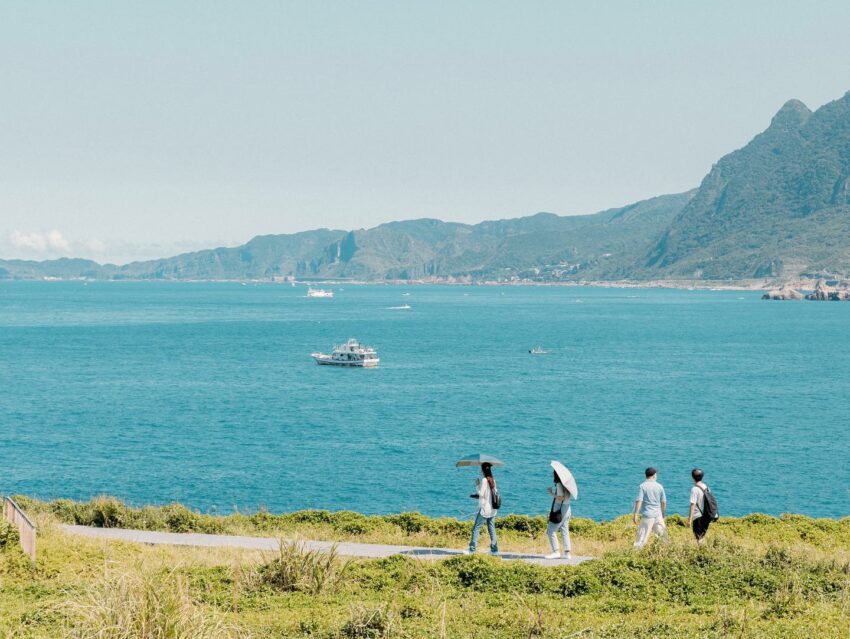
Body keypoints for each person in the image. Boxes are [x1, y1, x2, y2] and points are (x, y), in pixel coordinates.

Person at [466, 462, 499, 555]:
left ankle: (472, 550)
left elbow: (481, 494)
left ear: (483, 470)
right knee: (491, 529)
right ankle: (494, 550)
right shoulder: (493, 480)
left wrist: (477, 485)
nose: (480, 470)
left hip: (485, 509)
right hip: (493, 509)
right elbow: (492, 492)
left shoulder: (484, 480)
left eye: (481, 468)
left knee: (476, 528)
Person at [633, 467, 669, 548]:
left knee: (641, 538)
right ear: (654, 475)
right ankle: (665, 551)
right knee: (663, 536)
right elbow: (663, 502)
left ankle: (636, 553)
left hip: (647, 515)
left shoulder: (642, 486)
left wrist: (635, 514)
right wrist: (663, 514)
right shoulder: (659, 486)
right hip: (658, 515)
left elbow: (639, 500)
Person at [545, 470, 572, 559]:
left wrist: (551, 493)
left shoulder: (560, 484)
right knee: (564, 529)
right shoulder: (568, 485)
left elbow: (561, 498)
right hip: (567, 508)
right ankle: (567, 553)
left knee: (550, 530)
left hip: (560, 508)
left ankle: (556, 551)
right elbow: (566, 497)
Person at [688, 468, 712, 543]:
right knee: (702, 536)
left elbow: (693, 505)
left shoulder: (694, 489)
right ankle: (704, 549)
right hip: (706, 515)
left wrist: (690, 520)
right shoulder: (706, 487)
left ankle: (702, 550)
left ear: (692, 478)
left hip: (698, 516)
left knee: (699, 537)